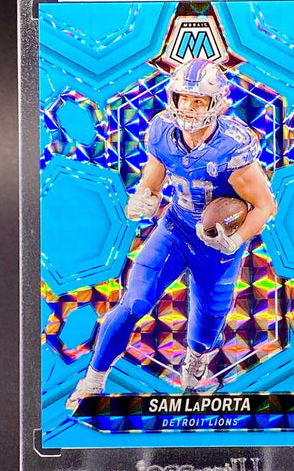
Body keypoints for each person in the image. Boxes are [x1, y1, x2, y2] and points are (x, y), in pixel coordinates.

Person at [66, 58, 276, 409]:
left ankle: (195, 361)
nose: (189, 107)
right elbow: (155, 176)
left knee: (209, 317)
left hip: (217, 245)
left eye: (199, 100)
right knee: (133, 303)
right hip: (176, 229)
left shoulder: (233, 144)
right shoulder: (163, 130)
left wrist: (235, 240)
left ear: (216, 103)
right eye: (184, 98)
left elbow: (265, 205)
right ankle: (93, 380)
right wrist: (144, 197)